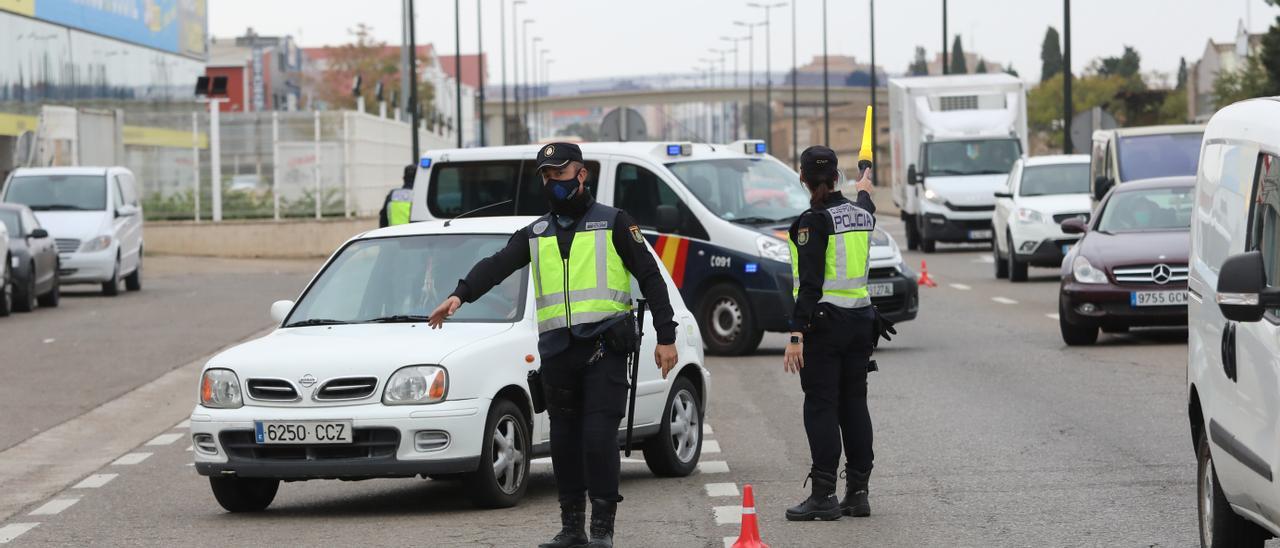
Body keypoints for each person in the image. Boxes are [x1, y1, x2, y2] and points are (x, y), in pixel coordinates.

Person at [427, 142, 679, 548]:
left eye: (559, 174)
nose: (552, 182)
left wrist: (666, 337)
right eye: (546, 176)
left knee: (598, 438)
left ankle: (601, 530)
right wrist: (461, 294)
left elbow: (651, 276)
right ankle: (571, 528)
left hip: (604, 349)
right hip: (559, 354)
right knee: (563, 443)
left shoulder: (614, 222)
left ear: (582, 174)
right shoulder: (537, 232)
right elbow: (498, 264)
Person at [783, 145, 883, 522]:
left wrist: (796, 334)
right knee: (854, 404)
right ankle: (858, 493)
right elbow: (865, 207)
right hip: (861, 321)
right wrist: (864, 190)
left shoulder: (813, 221)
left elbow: (809, 284)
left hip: (824, 325)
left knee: (821, 405)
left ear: (802, 178)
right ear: (837, 177)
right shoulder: (861, 214)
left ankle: (824, 495)